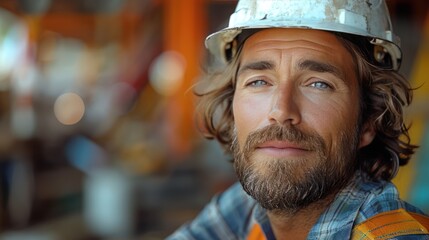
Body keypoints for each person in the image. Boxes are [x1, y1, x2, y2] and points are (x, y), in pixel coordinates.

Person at [168, 0, 429, 239]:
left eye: (318, 84)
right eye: (259, 81)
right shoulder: (247, 208)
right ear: (232, 106)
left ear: (369, 120)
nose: (281, 111)